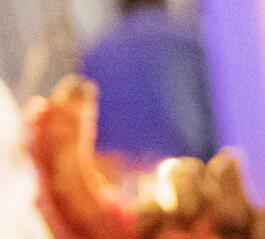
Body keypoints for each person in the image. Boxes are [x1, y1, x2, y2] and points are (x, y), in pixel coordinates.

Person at [79, 0, 217, 165]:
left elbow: (89, 136)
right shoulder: (188, 42)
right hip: (185, 169)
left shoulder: (94, 56)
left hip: (118, 174)